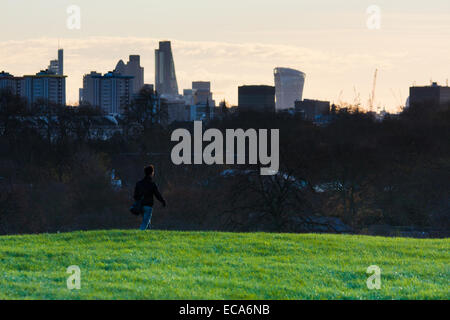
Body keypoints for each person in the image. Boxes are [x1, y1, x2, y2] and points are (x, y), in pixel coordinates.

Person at [134, 165, 166, 230]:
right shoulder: (152, 184)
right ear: (152, 173)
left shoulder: (139, 183)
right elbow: (157, 195)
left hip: (140, 205)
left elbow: (135, 195)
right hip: (148, 206)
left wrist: (138, 202)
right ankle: (140, 234)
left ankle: (148, 235)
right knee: (145, 222)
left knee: (147, 222)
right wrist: (163, 201)